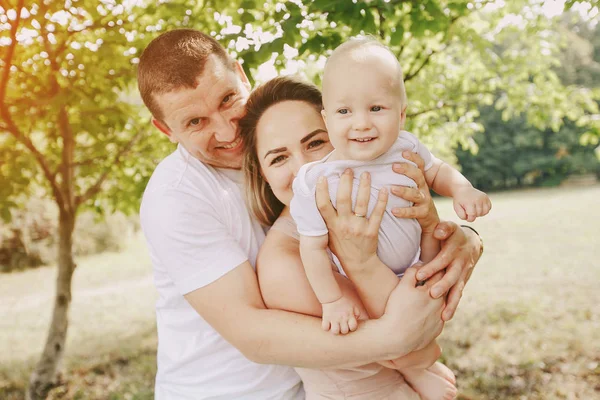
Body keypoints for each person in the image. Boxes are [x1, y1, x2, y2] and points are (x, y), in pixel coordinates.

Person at [137, 28, 483, 399]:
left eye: (227, 100)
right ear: (164, 129)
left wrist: (461, 237)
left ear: (242, 76)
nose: (226, 129)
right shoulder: (177, 200)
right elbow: (252, 332)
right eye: (195, 122)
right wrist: (399, 344)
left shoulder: (285, 136)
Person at [288, 38, 490, 399]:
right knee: (396, 338)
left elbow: (438, 170)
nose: (361, 123)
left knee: (428, 318)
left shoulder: (407, 147)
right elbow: (313, 249)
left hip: (418, 264)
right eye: (344, 112)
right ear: (326, 118)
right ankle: (418, 368)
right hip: (360, 283)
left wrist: (463, 190)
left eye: (376, 108)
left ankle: (422, 362)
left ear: (401, 114)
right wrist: (332, 299)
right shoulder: (315, 181)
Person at [240, 75, 462, 399]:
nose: (303, 168)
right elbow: (415, 350)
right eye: (279, 158)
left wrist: (441, 229)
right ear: (264, 174)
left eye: (315, 143)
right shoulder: (284, 262)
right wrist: (362, 262)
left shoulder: (370, 211)